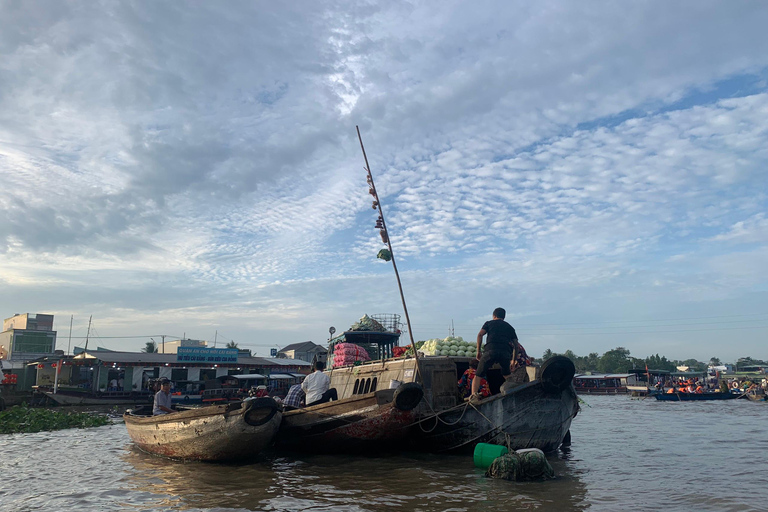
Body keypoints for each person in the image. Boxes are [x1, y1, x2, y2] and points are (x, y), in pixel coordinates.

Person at [471, 307, 518, 400]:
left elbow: (480, 334)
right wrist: (513, 360)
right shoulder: (509, 327)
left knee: (478, 375)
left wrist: (478, 351)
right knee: (507, 375)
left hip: (490, 351)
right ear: (504, 317)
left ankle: (473, 396)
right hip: (505, 353)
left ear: (494, 316)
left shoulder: (489, 323)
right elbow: (516, 345)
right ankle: (514, 391)